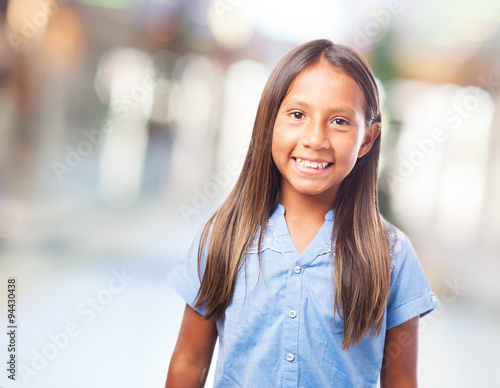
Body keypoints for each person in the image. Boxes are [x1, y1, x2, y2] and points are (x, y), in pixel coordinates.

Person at [165, 39, 439, 388]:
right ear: (269, 122)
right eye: (297, 115)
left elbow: (400, 381)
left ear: (367, 139)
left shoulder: (392, 256)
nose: (315, 138)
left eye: (339, 121)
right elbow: (190, 361)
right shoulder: (225, 236)